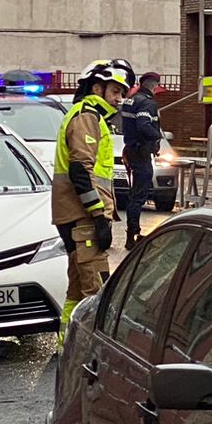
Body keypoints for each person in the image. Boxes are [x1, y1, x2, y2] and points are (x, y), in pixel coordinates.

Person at [52, 61, 130, 317]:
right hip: (82, 219)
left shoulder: (88, 115)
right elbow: (80, 172)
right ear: (97, 88)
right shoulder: (87, 116)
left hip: (75, 217)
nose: (119, 99)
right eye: (115, 91)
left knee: (76, 293)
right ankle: (90, 354)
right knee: (97, 295)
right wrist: (98, 217)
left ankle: (65, 347)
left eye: (122, 93)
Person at [118, 70, 162, 251]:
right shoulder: (147, 103)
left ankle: (132, 232)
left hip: (131, 149)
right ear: (154, 86)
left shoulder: (131, 100)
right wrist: (157, 137)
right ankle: (133, 235)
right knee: (138, 196)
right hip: (141, 152)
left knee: (134, 194)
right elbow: (144, 125)